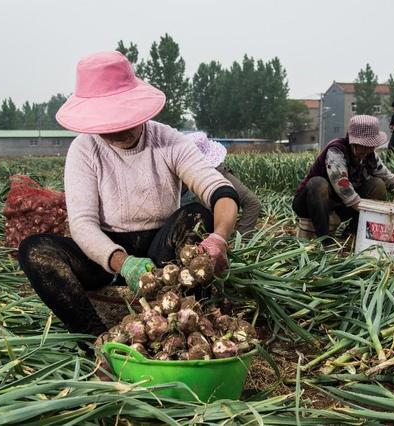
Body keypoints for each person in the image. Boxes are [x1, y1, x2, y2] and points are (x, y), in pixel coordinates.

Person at [17, 52, 239, 336]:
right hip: (103, 253)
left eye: (125, 119)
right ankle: (95, 338)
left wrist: (219, 237)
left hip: (163, 248)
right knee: (35, 251)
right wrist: (124, 263)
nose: (120, 130)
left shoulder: (167, 140)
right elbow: (83, 224)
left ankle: (188, 321)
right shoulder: (84, 150)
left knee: (196, 215)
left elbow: (219, 190)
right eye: (109, 124)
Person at [292, 115, 394, 244]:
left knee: (377, 185)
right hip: (310, 203)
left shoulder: (370, 156)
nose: (367, 149)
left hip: (340, 205)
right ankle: (324, 240)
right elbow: (343, 187)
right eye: (363, 145)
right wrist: (377, 210)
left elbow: (387, 176)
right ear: (352, 141)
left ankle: (356, 232)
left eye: (371, 146)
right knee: (318, 184)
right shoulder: (336, 151)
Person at [181, 132, 261, 234]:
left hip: (208, 239)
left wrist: (241, 239)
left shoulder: (217, 172)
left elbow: (252, 203)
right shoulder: (171, 174)